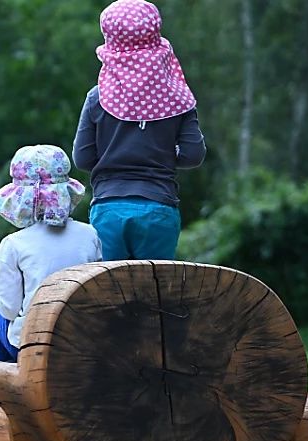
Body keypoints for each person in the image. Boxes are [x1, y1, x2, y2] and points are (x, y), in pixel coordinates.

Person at [73, 0, 207, 261]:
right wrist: (164, 157)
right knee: (154, 295)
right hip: (159, 208)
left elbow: (83, 158)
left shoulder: (96, 98)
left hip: (108, 209)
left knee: (109, 295)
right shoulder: (178, 98)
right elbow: (193, 155)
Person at [0, 145, 102, 363]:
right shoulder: (90, 234)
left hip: (34, 348)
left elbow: (8, 310)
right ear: (65, 192)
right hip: (85, 340)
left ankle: (5, 374)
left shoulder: (13, 244)